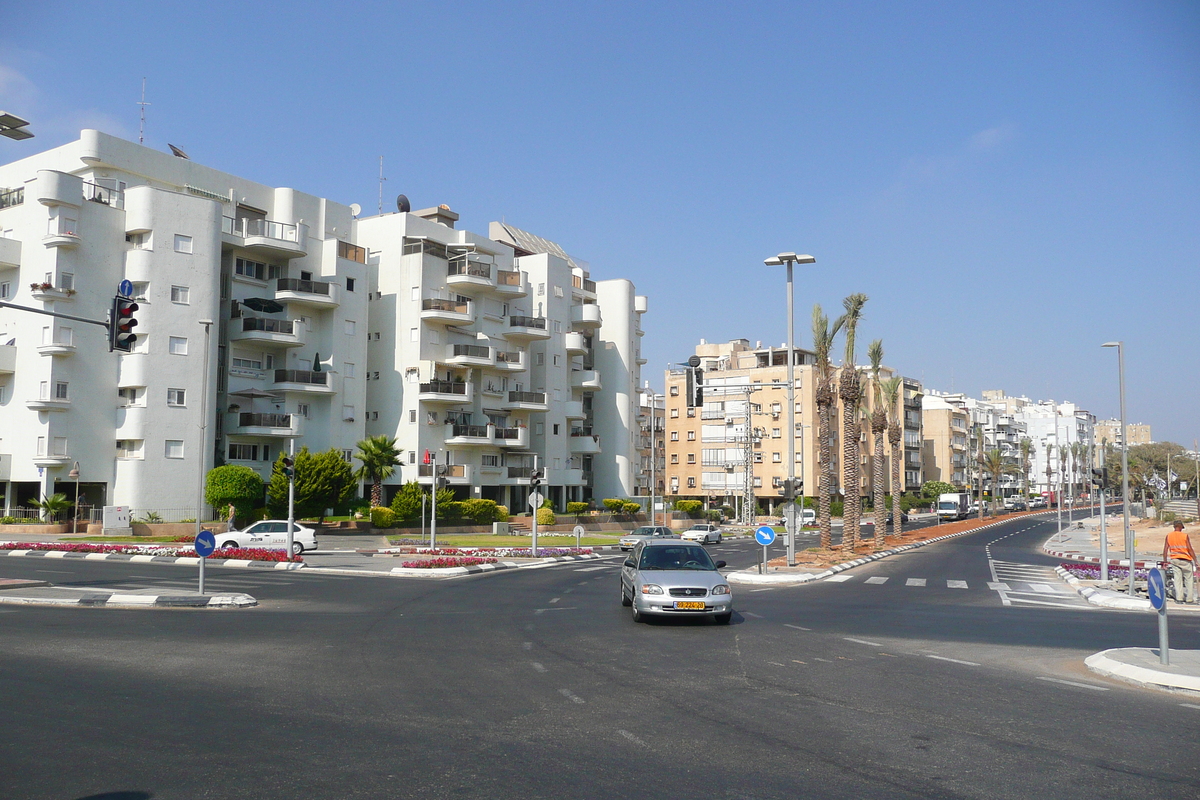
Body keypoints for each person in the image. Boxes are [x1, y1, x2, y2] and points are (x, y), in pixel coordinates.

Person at [1162, 520, 1196, 604]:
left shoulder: (1169, 536)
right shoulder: (1184, 536)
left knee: (1177, 580)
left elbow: (1165, 549)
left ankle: (1179, 598)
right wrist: (1196, 561)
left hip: (1175, 560)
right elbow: (1190, 549)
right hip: (1186, 560)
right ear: (1181, 527)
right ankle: (1189, 599)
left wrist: (1165, 561)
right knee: (1189, 579)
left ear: (1174, 527)